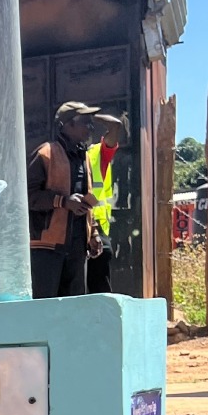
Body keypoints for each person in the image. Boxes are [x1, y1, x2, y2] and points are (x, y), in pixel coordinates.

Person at [28, 101, 105, 298]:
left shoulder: (84, 158)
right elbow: (27, 196)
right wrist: (63, 201)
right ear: (68, 124)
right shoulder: (46, 154)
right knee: (45, 306)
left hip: (77, 248)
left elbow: (87, 201)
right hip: (47, 248)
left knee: (74, 308)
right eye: (85, 122)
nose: (91, 127)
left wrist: (93, 233)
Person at [86, 112, 128, 293]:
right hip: (73, 226)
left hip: (97, 226)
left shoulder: (97, 154)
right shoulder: (61, 155)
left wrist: (90, 115)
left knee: (100, 274)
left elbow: (115, 126)